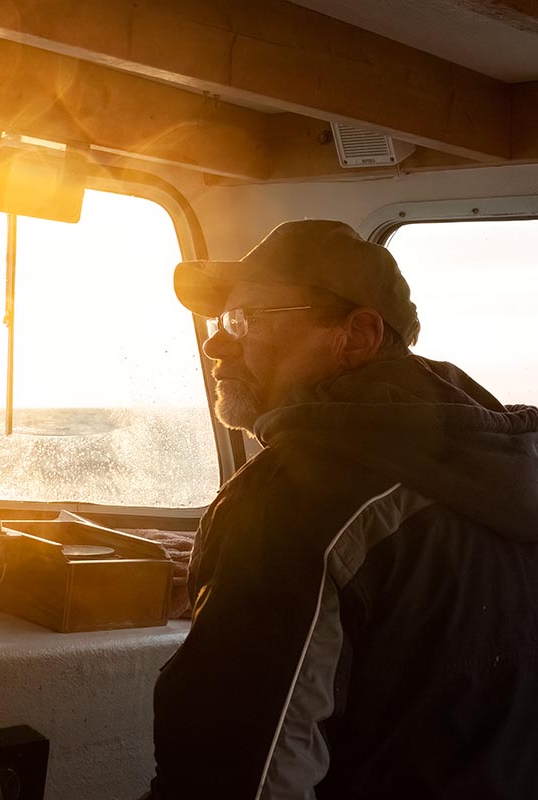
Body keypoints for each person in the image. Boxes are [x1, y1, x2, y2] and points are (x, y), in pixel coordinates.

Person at [148, 219, 538, 799]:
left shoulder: (301, 494)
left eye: (245, 319)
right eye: (219, 320)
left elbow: (240, 772)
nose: (216, 342)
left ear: (355, 336)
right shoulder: (511, 472)